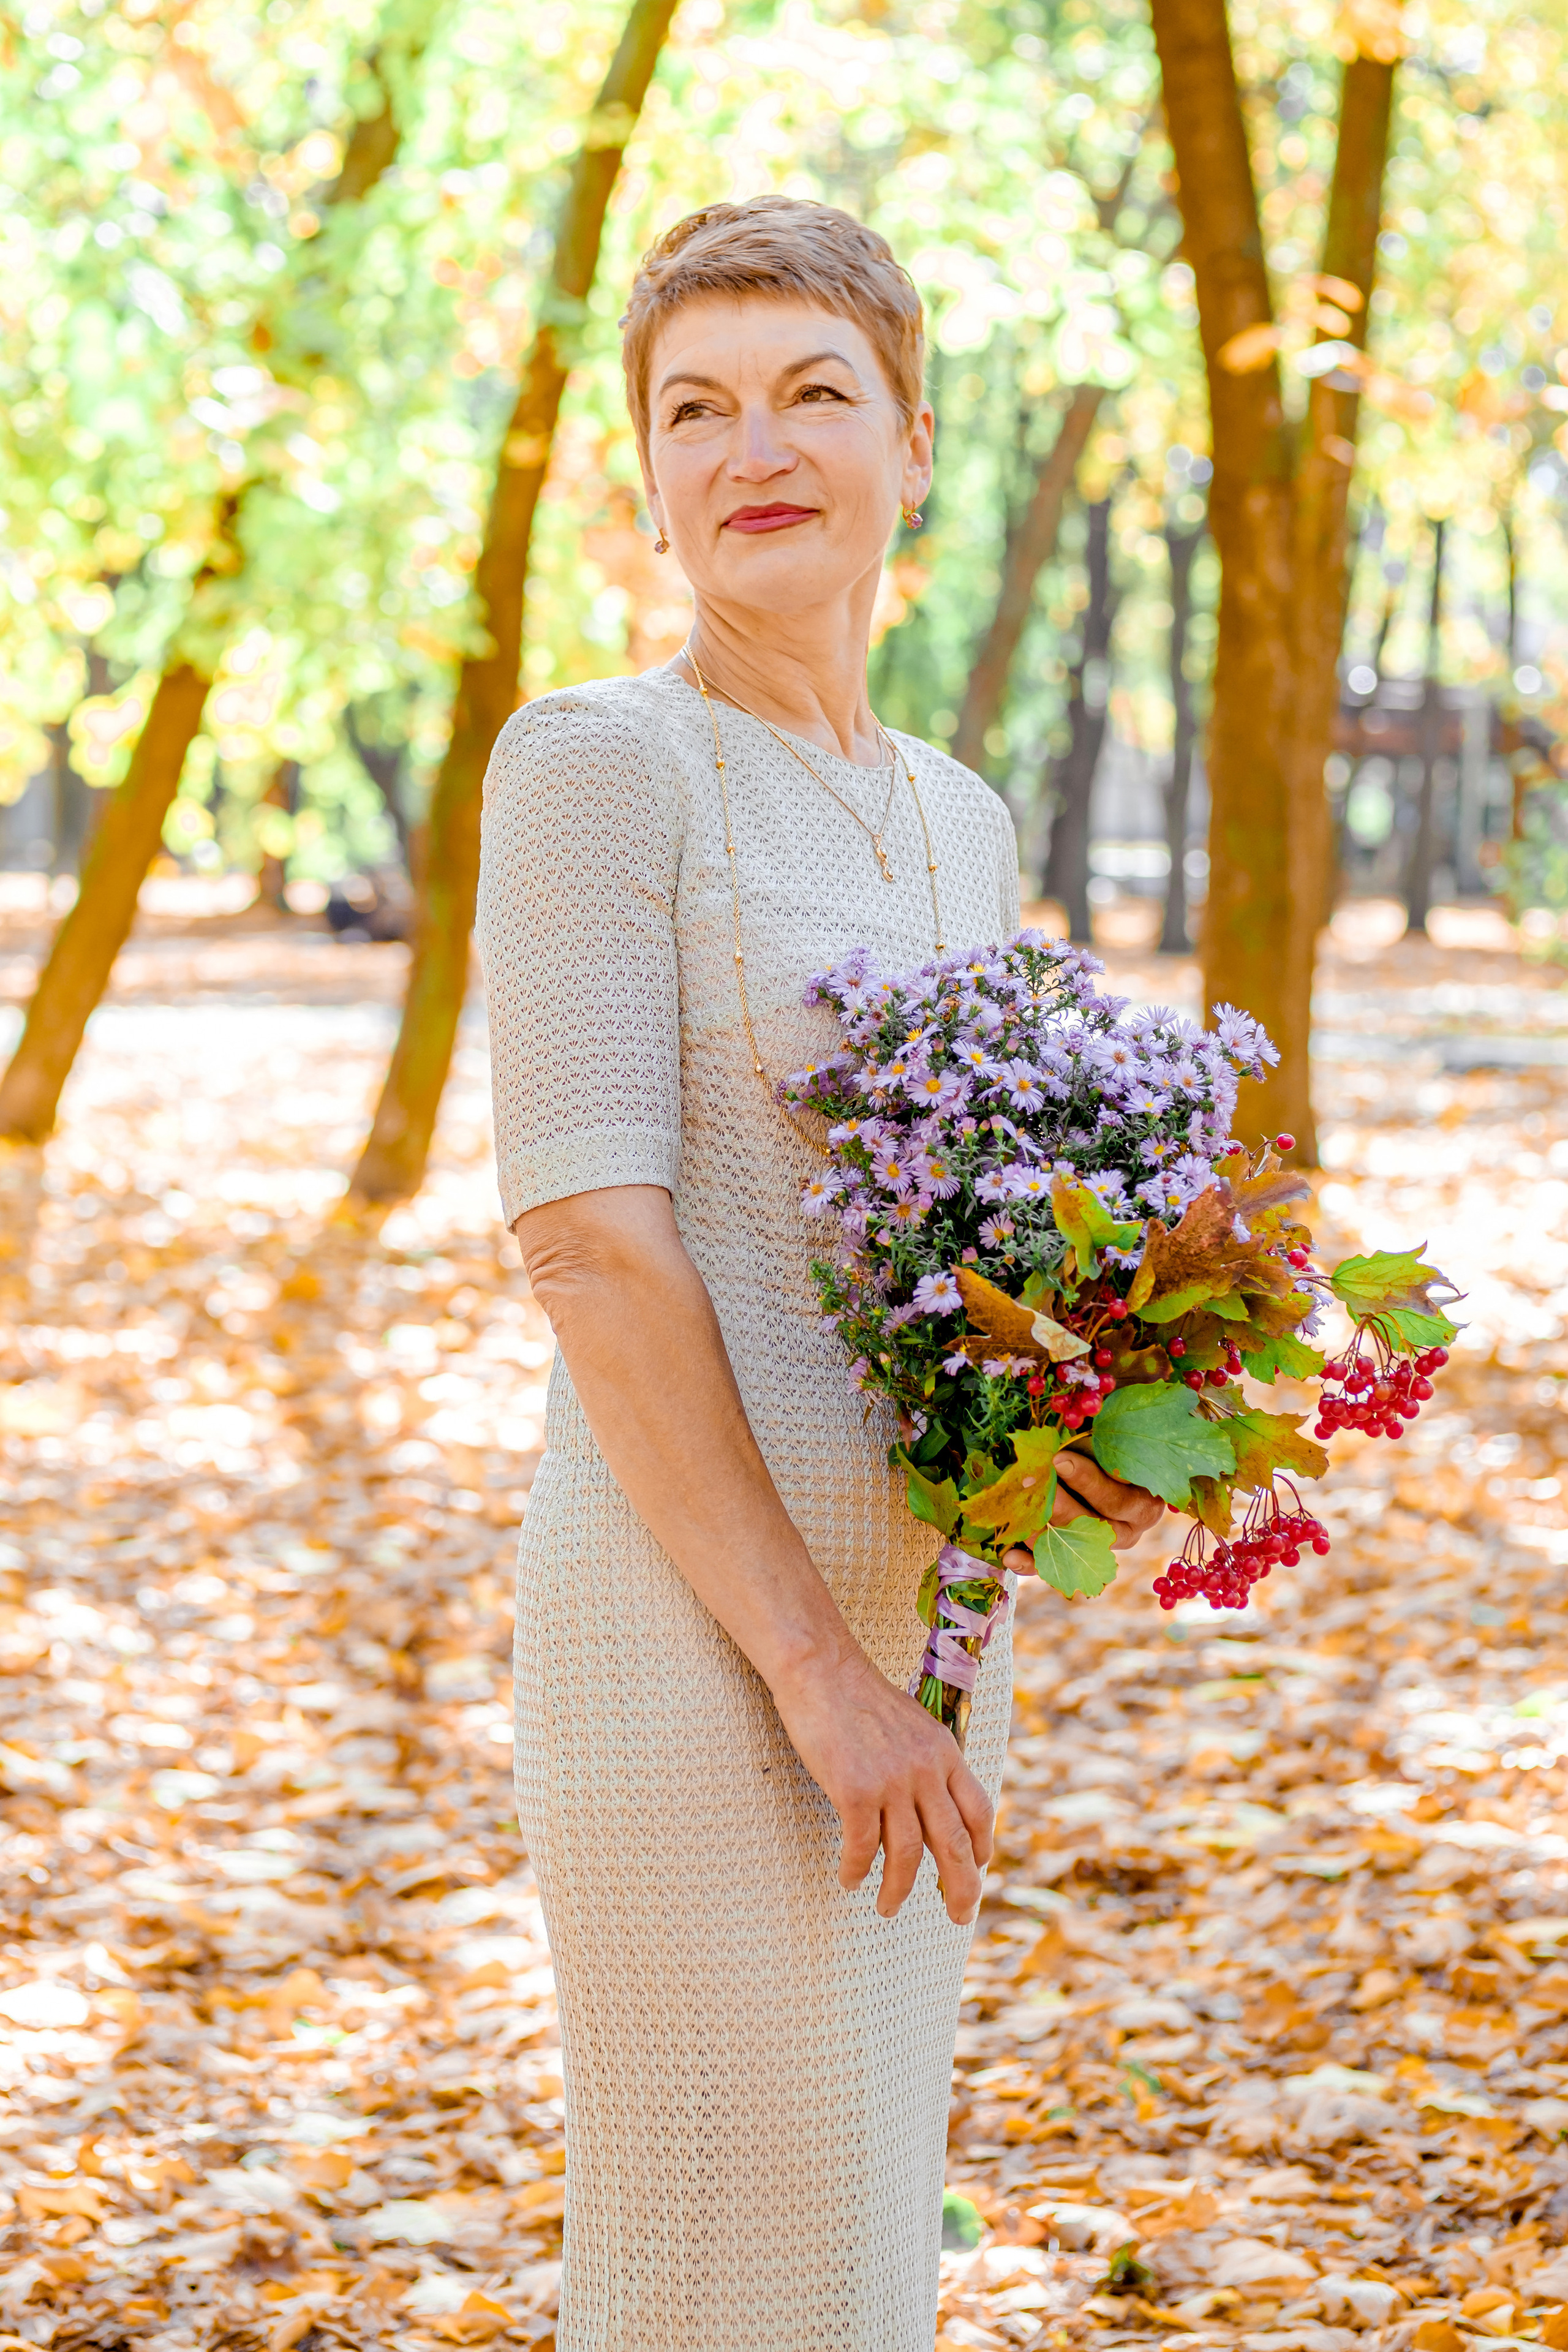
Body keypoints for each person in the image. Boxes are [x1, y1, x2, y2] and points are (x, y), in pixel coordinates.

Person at [476, 195, 1162, 2352]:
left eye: (808, 393)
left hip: (923, 1636)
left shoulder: (954, 816)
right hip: (711, 1636)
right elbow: (591, 1241)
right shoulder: (602, 768)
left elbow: (961, 1251)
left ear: (917, 444)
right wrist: (808, 1673)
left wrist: (1097, 1444)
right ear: (651, 478)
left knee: (859, 2248)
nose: (748, 446)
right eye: (695, 408)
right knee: (713, 2253)